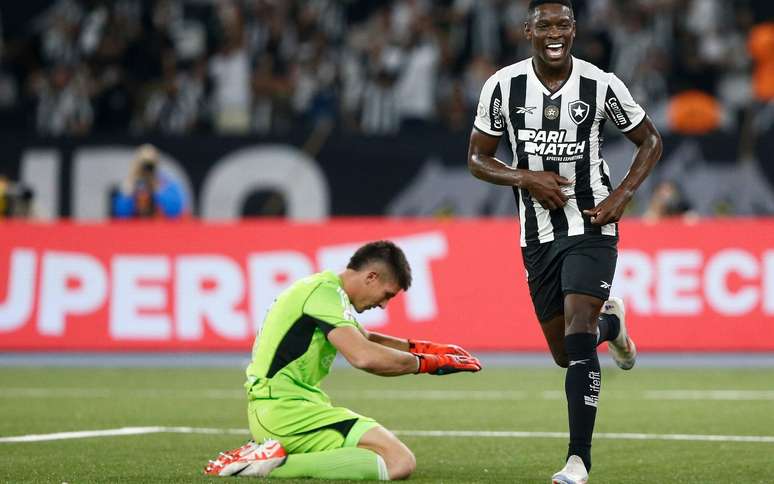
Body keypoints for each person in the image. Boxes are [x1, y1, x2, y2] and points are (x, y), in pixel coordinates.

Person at [466, 1, 663, 483]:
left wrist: (622, 194)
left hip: (592, 221)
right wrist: (526, 178)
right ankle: (611, 326)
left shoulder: (601, 84)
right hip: (536, 235)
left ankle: (578, 460)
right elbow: (476, 157)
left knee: (577, 335)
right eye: (544, 25)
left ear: (574, 30)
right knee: (566, 351)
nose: (554, 33)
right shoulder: (502, 86)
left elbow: (651, 141)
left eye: (563, 24)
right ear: (527, 30)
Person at [203, 240, 481, 480]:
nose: (384, 305)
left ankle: (267, 456)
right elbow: (364, 356)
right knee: (398, 462)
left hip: (293, 409)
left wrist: (428, 348)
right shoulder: (323, 293)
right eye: (387, 295)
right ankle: (265, 465)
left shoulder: (324, 291)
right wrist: (427, 363)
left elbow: (366, 338)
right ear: (371, 277)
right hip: (285, 413)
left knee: (378, 455)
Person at [111, 144, 186, 219]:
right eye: (144, 164)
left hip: (159, 228)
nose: (147, 168)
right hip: (135, 228)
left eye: (150, 164)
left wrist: (158, 191)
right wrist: (129, 191)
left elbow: (175, 212)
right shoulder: (131, 184)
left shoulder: (166, 184)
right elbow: (121, 215)